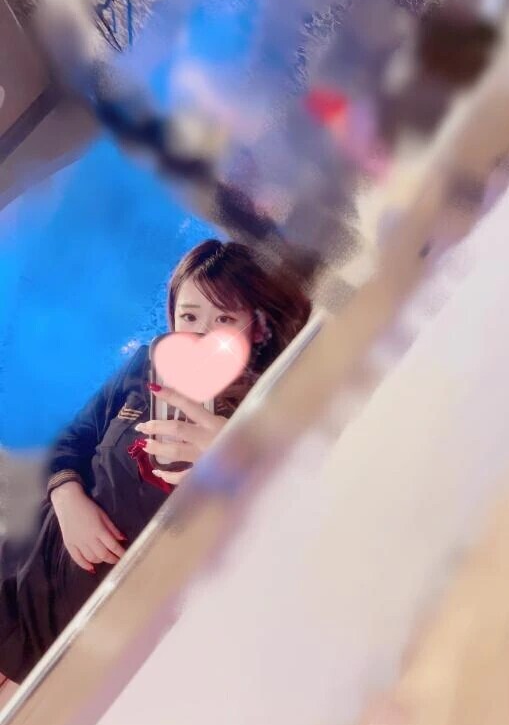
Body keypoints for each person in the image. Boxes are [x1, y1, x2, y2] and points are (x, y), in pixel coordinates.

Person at [0, 239, 311, 693]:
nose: (201, 335)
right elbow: (71, 439)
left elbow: (271, 542)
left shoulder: (268, 415)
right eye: (189, 317)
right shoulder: (146, 365)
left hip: (92, 626)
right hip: (29, 568)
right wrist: (68, 498)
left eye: (224, 319)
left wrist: (236, 463)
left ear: (258, 329)